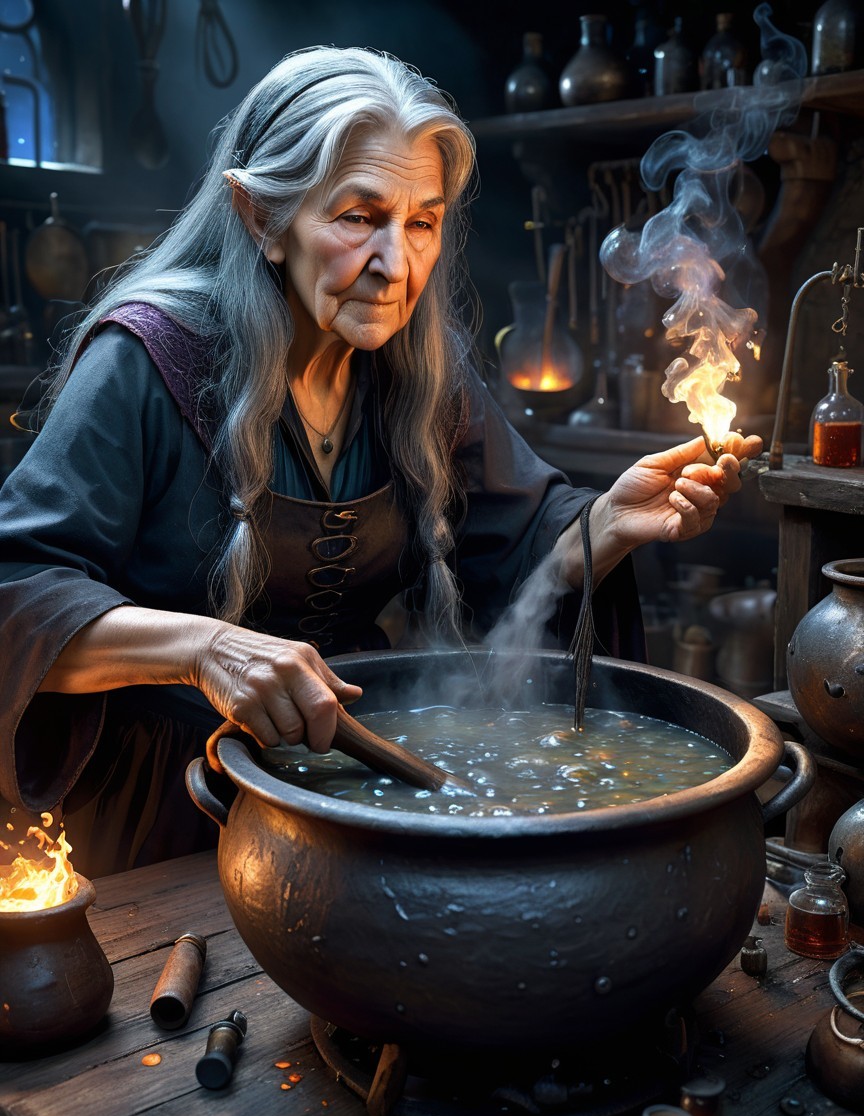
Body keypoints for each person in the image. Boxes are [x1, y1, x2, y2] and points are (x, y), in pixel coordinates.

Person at [0, 45, 761, 878]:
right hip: (164, 823)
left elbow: (515, 545)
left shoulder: (419, 372)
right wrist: (202, 648)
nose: (397, 267)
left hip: (352, 794)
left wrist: (609, 522)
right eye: (359, 217)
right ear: (261, 217)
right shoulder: (149, 359)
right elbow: (16, 591)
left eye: (422, 222)